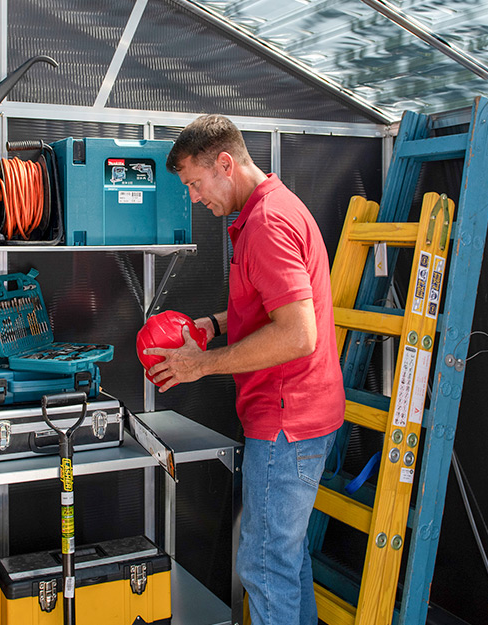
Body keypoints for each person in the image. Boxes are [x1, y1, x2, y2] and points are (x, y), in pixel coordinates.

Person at [143, 114, 345, 625]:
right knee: (287, 558)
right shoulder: (273, 206)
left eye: (193, 182)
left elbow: (299, 333)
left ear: (225, 164)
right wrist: (214, 323)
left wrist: (200, 365)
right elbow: (270, 306)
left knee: (263, 566)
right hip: (302, 414)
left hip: (286, 422)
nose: (192, 197)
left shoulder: (266, 225)